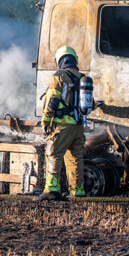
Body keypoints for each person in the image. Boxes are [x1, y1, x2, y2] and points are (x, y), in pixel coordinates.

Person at [39, 45, 87, 201]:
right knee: (75, 158)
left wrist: (46, 121)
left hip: (62, 125)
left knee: (54, 154)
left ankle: (52, 190)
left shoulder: (58, 77)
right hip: (78, 127)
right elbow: (90, 104)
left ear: (59, 60)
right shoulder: (82, 78)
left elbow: (52, 101)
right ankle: (77, 191)